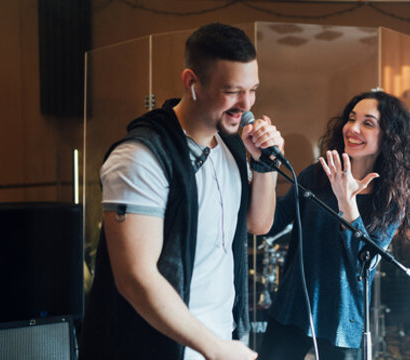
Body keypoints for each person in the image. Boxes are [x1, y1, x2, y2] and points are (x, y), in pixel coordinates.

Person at [80, 23, 283, 360]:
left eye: (253, 89)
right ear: (191, 82)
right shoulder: (140, 157)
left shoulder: (231, 147)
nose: (246, 105)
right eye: (232, 91)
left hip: (222, 342)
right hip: (159, 349)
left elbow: (258, 225)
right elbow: (134, 278)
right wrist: (214, 348)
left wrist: (264, 166)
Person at [257, 91, 410, 360]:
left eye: (368, 123)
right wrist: (263, 170)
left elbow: (364, 263)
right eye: (351, 118)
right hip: (293, 307)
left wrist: (347, 200)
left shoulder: (391, 199)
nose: (352, 128)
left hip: (344, 319)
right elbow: (271, 223)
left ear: (389, 138)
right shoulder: (315, 175)